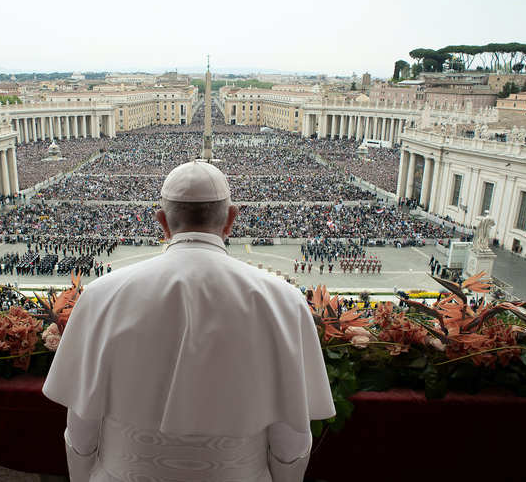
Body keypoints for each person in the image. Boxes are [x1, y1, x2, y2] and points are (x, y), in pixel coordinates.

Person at [43, 160, 335, 482]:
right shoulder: (283, 300)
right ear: (231, 220)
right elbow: (291, 437)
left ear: (162, 221)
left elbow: (81, 428)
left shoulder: (101, 295)